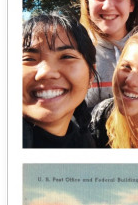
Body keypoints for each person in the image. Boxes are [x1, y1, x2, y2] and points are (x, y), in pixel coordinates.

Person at [23, 10, 98, 148]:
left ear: (91, 76)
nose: (46, 72)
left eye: (66, 57)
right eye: (28, 59)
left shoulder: (85, 143)